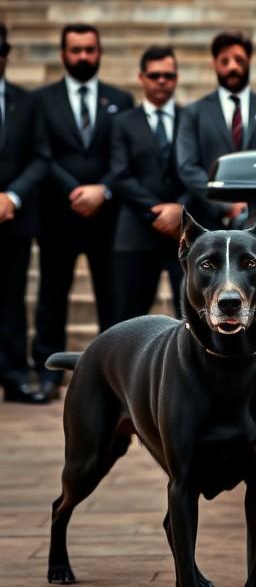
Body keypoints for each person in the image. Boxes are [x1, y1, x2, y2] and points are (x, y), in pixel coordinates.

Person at [33, 24, 133, 400]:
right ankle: (47, 373)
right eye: (76, 50)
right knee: (51, 296)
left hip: (107, 218)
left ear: (100, 51)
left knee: (112, 298)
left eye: (90, 49)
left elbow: (125, 155)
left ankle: (115, 374)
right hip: (58, 215)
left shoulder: (120, 99)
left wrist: (102, 190)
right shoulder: (42, 101)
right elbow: (42, 154)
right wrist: (74, 191)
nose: (83, 57)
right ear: (63, 54)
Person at [176, 31, 256, 229]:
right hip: (208, 221)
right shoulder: (194, 112)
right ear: (214, 63)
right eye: (225, 61)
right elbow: (187, 167)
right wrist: (224, 205)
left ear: (249, 60)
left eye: (239, 59)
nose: (232, 66)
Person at [109, 47, 187, 322]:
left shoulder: (191, 118)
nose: (162, 81)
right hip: (136, 233)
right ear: (142, 78)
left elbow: (198, 170)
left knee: (191, 318)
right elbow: (119, 174)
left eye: (168, 75)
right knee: (128, 320)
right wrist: (157, 210)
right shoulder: (123, 122)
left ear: (176, 78)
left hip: (182, 233)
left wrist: (180, 209)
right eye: (155, 75)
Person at [0, 25, 50, 404]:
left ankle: (15, 375)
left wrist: (12, 196)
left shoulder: (26, 103)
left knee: (12, 300)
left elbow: (40, 156)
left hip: (13, 219)